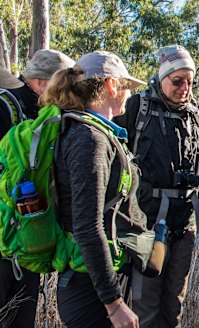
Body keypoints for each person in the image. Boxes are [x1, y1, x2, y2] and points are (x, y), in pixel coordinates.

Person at [38, 51, 146, 328]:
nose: (128, 95)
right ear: (111, 85)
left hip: (95, 281)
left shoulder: (93, 132)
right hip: (89, 291)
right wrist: (114, 304)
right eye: (126, 87)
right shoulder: (89, 139)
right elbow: (87, 225)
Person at [113, 44, 199, 327]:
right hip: (146, 220)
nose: (185, 88)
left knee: (174, 305)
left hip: (185, 220)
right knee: (147, 304)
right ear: (161, 78)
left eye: (190, 82)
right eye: (177, 81)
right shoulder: (138, 106)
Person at [0, 49, 74, 328]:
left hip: (25, 237)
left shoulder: (39, 112)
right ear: (43, 82)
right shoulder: (7, 106)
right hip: (11, 236)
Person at [0, 49, 75, 137]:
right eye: (60, 85)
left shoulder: (38, 105)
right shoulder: (4, 104)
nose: (62, 92)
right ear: (40, 81)